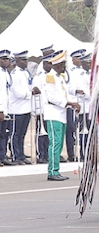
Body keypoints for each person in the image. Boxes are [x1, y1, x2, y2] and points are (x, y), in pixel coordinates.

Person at [36, 51, 78, 181]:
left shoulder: (60, 77)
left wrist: (72, 102)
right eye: (62, 64)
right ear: (56, 65)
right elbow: (52, 97)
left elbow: (64, 94)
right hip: (53, 114)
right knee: (55, 143)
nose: (64, 66)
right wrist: (68, 103)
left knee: (59, 143)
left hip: (61, 114)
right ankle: (52, 172)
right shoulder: (50, 77)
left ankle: (56, 170)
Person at [8, 51, 32, 164]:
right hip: (16, 109)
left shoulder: (26, 73)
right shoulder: (14, 74)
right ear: (17, 61)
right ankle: (15, 156)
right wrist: (30, 93)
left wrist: (29, 93)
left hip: (26, 108)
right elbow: (18, 93)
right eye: (23, 60)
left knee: (22, 134)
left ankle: (21, 155)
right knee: (15, 134)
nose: (25, 62)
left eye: (26, 60)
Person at [0, 51, 10, 164]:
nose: (6, 61)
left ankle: (2, 156)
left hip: (6, 108)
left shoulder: (5, 73)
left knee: (3, 134)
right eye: (3, 59)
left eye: (7, 59)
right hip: (1, 109)